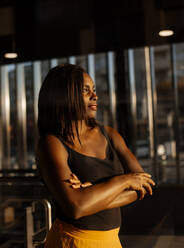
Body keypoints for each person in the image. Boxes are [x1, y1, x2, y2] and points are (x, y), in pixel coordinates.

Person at [36, 64, 155, 248]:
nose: (95, 96)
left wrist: (93, 193)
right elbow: (76, 207)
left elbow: (144, 185)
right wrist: (122, 182)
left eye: (94, 89)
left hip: (111, 242)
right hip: (72, 241)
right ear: (64, 95)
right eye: (85, 90)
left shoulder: (109, 134)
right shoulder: (51, 143)